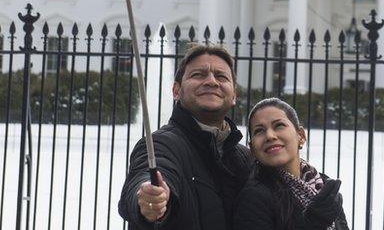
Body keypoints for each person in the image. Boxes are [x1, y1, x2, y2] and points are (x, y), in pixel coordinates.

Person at [118, 44, 252, 229]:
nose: (211, 81)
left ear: (234, 95)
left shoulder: (246, 158)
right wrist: (151, 198)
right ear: (176, 91)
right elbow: (146, 176)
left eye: (221, 76)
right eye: (198, 75)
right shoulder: (161, 144)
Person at [234, 97, 349, 230]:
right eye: (259, 131)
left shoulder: (323, 186)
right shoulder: (253, 198)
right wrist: (313, 223)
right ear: (252, 148)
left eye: (279, 125)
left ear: (300, 136)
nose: (270, 136)